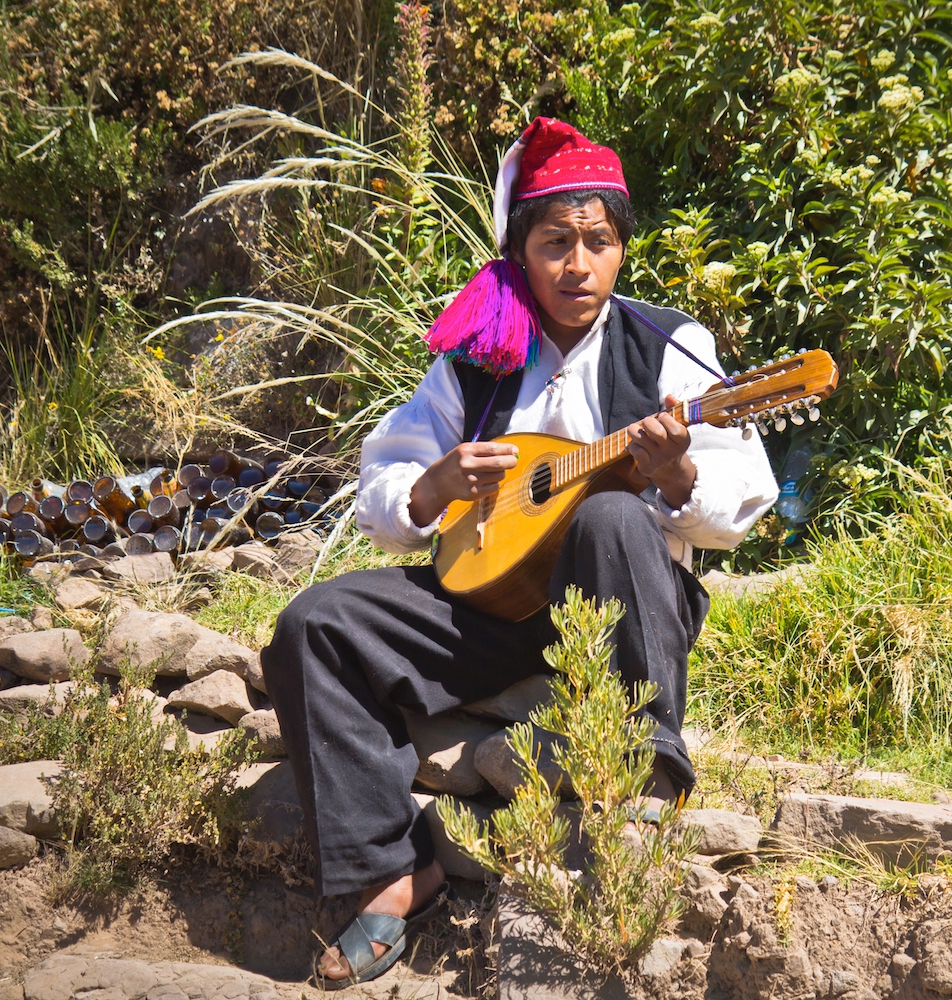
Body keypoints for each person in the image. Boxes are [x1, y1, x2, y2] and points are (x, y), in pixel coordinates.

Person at [259, 117, 778, 987]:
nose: (579, 264)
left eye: (599, 243)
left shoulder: (671, 347)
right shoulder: (476, 360)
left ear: (621, 251)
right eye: (556, 242)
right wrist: (431, 488)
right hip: (488, 602)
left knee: (610, 520)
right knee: (313, 623)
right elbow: (385, 493)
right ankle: (393, 872)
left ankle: (643, 773)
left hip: (621, 611)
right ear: (521, 252)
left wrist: (678, 476)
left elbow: (738, 504)